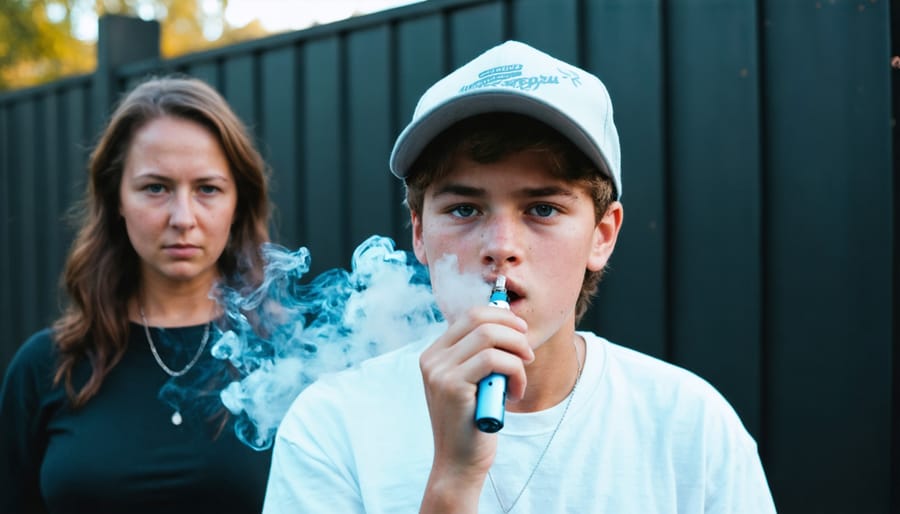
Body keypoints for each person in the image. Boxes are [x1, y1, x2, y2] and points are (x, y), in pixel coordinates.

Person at [263, 40, 776, 513]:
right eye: (465, 209)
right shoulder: (332, 426)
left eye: (543, 209)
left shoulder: (690, 425)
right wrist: (453, 481)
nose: (501, 248)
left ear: (601, 235)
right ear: (419, 234)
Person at [0, 76, 274, 513]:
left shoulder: (289, 360)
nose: (183, 217)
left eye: (207, 188)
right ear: (117, 200)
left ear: (238, 202)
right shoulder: (46, 368)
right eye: (155, 188)